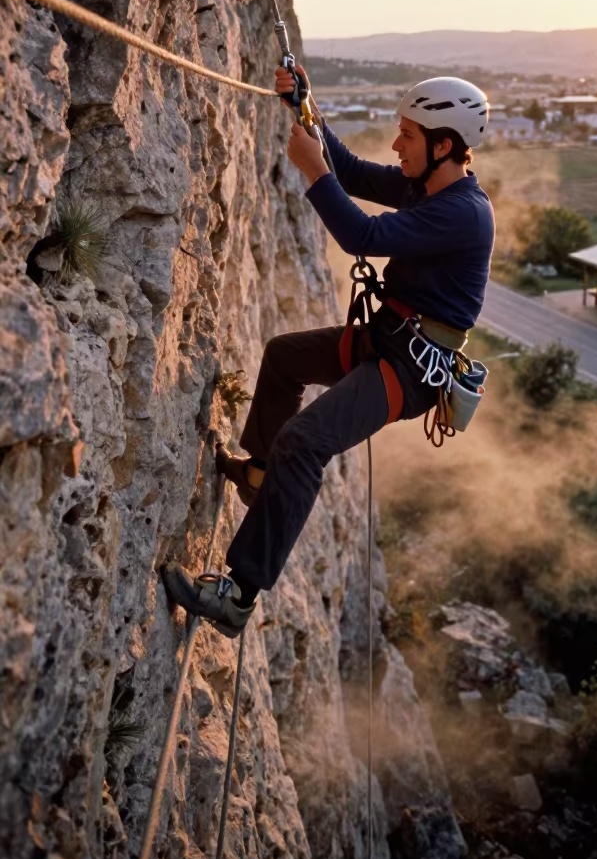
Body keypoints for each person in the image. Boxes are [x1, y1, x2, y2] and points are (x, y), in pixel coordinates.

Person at [162, 69, 495, 637]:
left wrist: (313, 171)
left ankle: (237, 598)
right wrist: (303, 105)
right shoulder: (428, 186)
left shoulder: (463, 211)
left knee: (307, 442)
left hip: (408, 368)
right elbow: (356, 172)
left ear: (443, 145)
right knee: (284, 356)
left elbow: (362, 236)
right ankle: (261, 474)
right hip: (386, 340)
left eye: (408, 136)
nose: (396, 145)